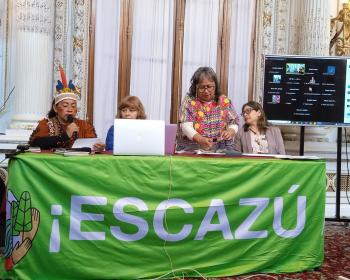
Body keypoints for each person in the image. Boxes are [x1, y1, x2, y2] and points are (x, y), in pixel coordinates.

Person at [29, 66, 104, 151]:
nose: (70, 109)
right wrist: (65, 136)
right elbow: (35, 144)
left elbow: (92, 145)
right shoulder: (46, 124)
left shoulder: (84, 126)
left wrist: (98, 147)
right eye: (65, 105)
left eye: (73, 105)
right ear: (55, 108)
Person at [176, 66, 239, 152]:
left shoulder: (224, 101)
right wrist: (200, 139)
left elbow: (234, 121)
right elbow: (185, 126)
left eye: (209, 87)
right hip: (193, 150)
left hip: (220, 150)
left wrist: (231, 130)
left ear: (215, 86)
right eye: (202, 87)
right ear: (195, 88)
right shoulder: (189, 102)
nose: (206, 91)